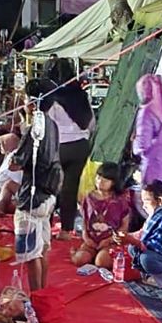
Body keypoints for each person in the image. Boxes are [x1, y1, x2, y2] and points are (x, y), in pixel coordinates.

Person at [13, 82, 63, 292]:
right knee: (41, 249)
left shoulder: (35, 129)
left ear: (33, 103)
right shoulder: (52, 124)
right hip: (48, 196)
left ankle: (36, 298)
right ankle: (41, 294)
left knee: (31, 254)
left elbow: (17, 162)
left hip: (31, 198)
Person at [43, 78, 95, 240]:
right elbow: (92, 124)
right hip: (80, 147)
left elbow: (46, 125)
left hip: (59, 147)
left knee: (49, 187)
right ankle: (66, 230)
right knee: (69, 189)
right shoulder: (83, 98)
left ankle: (45, 227)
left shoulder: (52, 99)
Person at [73, 162, 131, 268]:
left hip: (110, 242)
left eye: (105, 180)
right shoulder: (89, 198)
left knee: (102, 262)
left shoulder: (120, 201)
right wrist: (86, 238)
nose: (100, 182)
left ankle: (100, 256)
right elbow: (84, 221)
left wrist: (109, 240)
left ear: (113, 182)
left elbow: (124, 226)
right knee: (79, 260)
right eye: (98, 178)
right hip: (91, 240)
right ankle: (82, 253)